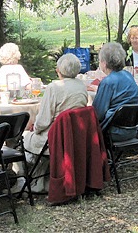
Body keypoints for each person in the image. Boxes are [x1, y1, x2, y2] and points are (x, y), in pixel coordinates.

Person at [23, 53, 88, 192]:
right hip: (75, 136)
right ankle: (39, 180)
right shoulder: (81, 85)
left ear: (59, 70)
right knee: (34, 137)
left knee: (19, 139)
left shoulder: (54, 87)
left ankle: (23, 180)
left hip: (55, 138)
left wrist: (34, 129)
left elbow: (42, 122)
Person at [92, 42, 138, 142]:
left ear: (104, 63)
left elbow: (97, 114)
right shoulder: (128, 76)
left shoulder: (108, 82)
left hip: (113, 131)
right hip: (133, 128)